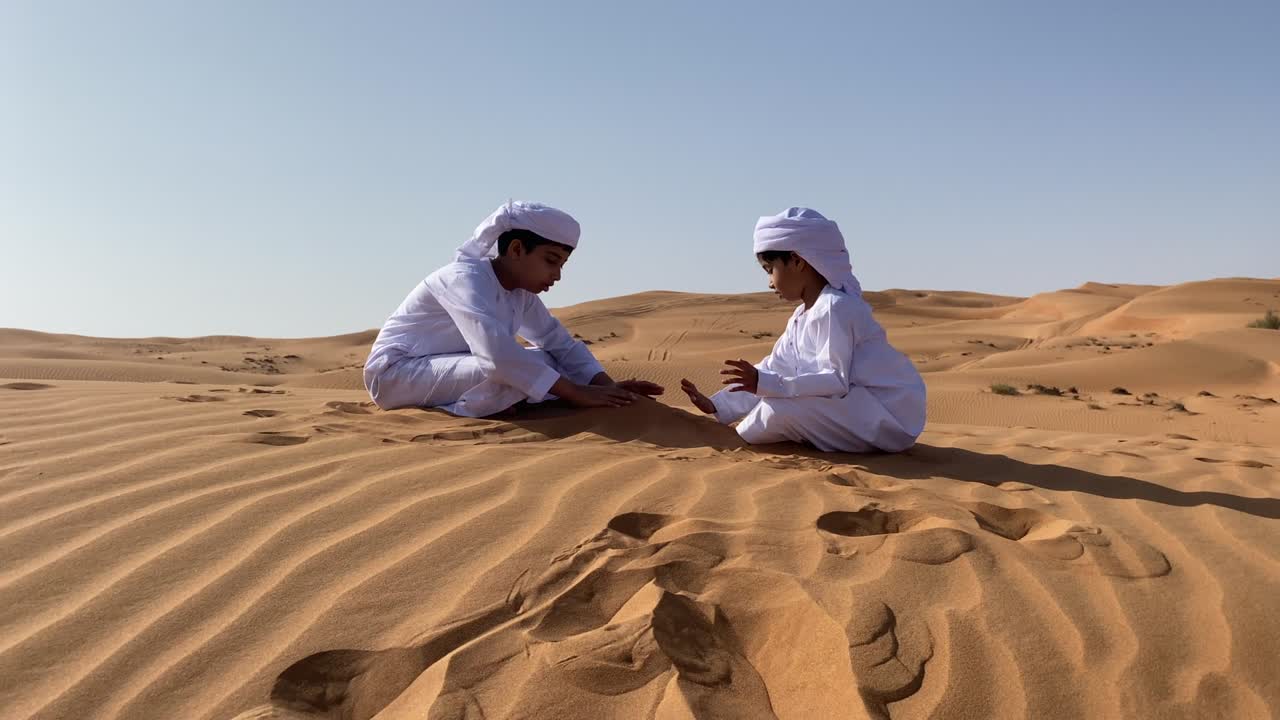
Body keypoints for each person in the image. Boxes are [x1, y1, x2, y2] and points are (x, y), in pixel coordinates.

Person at [364, 200, 662, 416]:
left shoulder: (520, 295)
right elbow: (496, 356)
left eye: (561, 264)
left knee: (547, 361)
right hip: (394, 376)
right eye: (551, 261)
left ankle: (523, 400)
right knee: (515, 370)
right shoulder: (462, 279)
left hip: (450, 366)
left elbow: (560, 345)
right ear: (517, 249)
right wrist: (577, 392)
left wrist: (610, 389)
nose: (557, 275)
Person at [680, 207, 925, 452]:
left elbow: (835, 380)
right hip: (852, 407)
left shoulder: (835, 307)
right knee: (773, 402)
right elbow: (776, 367)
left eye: (770, 270)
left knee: (777, 409)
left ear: (797, 261)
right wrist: (717, 404)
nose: (769, 282)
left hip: (885, 415)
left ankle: (736, 441)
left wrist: (767, 384)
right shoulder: (801, 316)